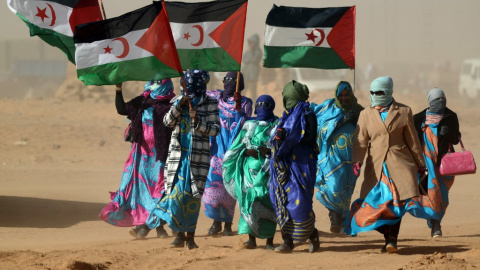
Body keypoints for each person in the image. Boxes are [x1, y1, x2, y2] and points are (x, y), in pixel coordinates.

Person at [345, 76, 426, 253]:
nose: (375, 95)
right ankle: (386, 235)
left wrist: (420, 164)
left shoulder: (404, 111)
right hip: (375, 167)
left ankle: (392, 241)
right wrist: (357, 160)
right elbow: (360, 141)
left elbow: (413, 141)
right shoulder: (365, 114)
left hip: (399, 165)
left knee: (395, 204)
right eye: (372, 92)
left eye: (379, 92)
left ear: (389, 92)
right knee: (374, 207)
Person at [146, 70, 220, 249]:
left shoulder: (210, 102)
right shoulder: (179, 101)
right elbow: (167, 122)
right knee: (176, 196)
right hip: (178, 158)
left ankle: (191, 237)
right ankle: (179, 235)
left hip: (197, 158)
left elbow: (215, 129)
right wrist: (179, 108)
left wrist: (198, 122)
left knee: (192, 198)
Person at [99, 80, 174, 239]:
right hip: (141, 158)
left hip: (162, 160)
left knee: (160, 193)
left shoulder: (174, 107)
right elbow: (121, 110)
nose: (152, 85)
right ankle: (153, 227)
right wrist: (118, 89)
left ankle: (152, 227)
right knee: (141, 194)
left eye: (157, 83)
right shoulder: (142, 102)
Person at [269, 80, 320, 253]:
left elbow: (311, 138)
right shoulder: (286, 115)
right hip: (285, 165)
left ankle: (312, 233)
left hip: (303, 164)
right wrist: (279, 138)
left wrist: (290, 138)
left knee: (302, 202)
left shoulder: (308, 113)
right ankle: (287, 241)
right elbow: (278, 138)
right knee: (283, 198)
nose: (288, 101)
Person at [222, 95, 278, 250]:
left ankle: (270, 241)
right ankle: (251, 239)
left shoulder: (277, 124)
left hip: (268, 170)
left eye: (266, 104)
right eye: (259, 104)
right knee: (248, 202)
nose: (262, 106)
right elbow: (237, 147)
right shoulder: (249, 124)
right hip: (248, 172)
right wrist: (246, 152)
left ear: (272, 106)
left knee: (269, 201)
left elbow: (282, 146)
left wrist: (269, 151)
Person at [202, 71, 253, 236]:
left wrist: (238, 107)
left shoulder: (245, 102)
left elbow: (245, 123)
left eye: (233, 81)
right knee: (213, 188)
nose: (228, 83)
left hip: (233, 151)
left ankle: (228, 226)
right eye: (226, 80)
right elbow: (199, 93)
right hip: (216, 149)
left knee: (230, 188)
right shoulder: (216, 97)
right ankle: (216, 223)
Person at [310, 81, 364, 233]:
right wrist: (342, 121)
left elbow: (368, 129)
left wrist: (357, 118)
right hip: (332, 156)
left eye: (347, 95)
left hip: (352, 158)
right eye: (341, 95)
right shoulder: (329, 109)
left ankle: (341, 223)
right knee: (334, 186)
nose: (344, 98)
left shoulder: (359, 110)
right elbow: (321, 128)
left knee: (346, 191)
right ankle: (334, 219)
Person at [407, 87, 461, 237]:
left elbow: (456, 139)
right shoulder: (419, 118)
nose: (441, 102)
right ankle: (436, 227)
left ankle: (435, 220)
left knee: (442, 194)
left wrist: (448, 133)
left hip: (444, 163)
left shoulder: (451, 116)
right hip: (425, 163)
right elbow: (410, 138)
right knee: (432, 190)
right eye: (437, 100)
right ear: (430, 101)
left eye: (442, 99)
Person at [242, 34, 262, 101]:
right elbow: (244, 59)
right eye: (251, 42)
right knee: (243, 91)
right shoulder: (247, 51)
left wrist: (250, 52)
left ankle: (254, 106)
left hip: (253, 76)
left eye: (253, 42)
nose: (252, 44)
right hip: (246, 74)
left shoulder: (258, 51)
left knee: (253, 92)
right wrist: (249, 52)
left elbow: (254, 60)